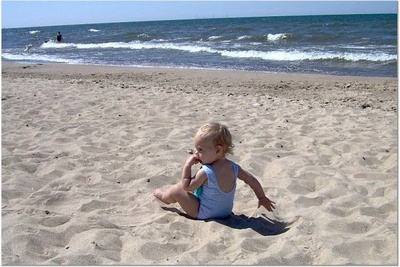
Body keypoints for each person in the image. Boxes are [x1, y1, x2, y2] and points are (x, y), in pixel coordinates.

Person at [153, 122, 276, 220]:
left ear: (217, 150)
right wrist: (261, 197)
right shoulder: (234, 167)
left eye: (200, 150)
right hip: (225, 212)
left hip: (203, 213)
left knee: (177, 189)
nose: (196, 153)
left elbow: (187, 187)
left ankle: (163, 196)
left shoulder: (206, 171)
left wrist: (187, 166)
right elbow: (251, 180)